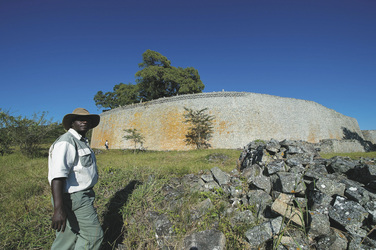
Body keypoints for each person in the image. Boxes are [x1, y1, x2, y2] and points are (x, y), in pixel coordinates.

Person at [48, 108, 103, 249]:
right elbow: (57, 176)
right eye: (80, 119)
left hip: (77, 196)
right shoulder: (66, 142)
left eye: (87, 120)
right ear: (72, 123)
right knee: (93, 235)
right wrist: (58, 209)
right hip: (74, 197)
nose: (85, 121)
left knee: (67, 237)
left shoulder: (81, 141)